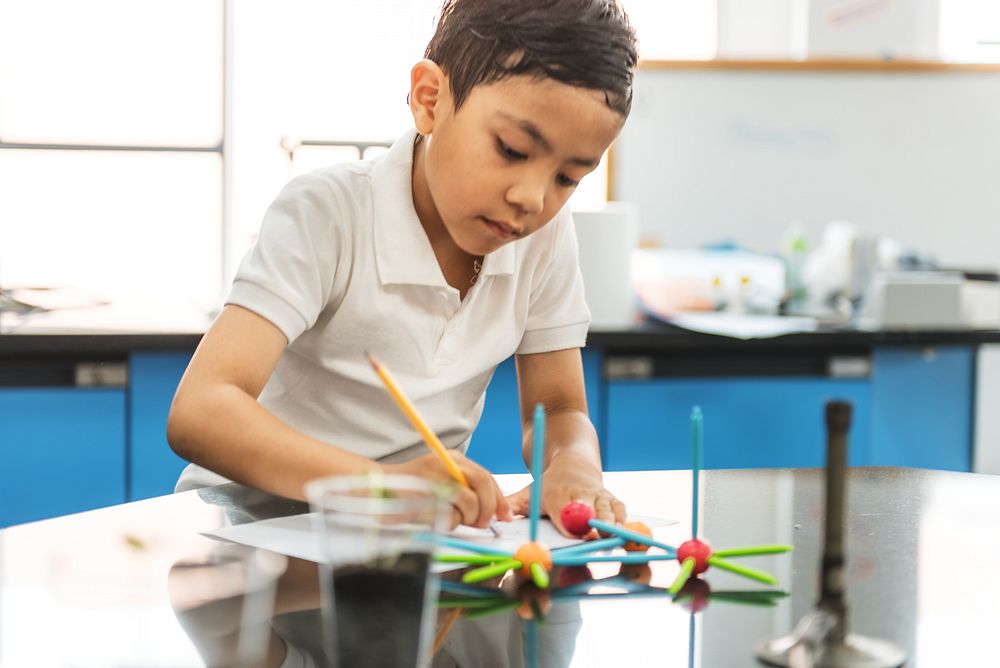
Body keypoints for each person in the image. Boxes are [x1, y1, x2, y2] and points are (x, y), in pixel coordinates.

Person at [167, 0, 639, 536]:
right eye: (511, 149)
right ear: (429, 99)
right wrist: (378, 489)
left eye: (568, 177)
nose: (531, 197)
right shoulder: (329, 211)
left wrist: (572, 467)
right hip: (252, 528)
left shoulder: (544, 238)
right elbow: (201, 410)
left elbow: (558, 405)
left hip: (402, 542)